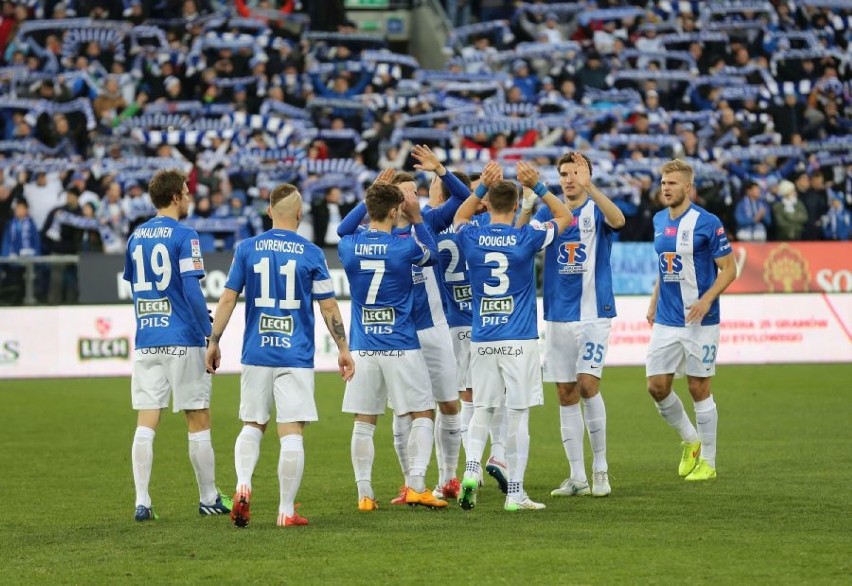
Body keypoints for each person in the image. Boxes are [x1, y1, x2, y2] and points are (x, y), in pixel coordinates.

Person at [205, 183, 355, 528]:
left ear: (269, 211)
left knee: (253, 423)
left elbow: (227, 299)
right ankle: (286, 511)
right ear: (300, 215)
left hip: (256, 352)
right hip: (295, 354)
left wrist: (213, 340)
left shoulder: (247, 249)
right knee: (291, 432)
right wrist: (343, 349)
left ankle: (243, 485)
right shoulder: (312, 253)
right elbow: (328, 305)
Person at [455, 160, 572, 512]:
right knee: (518, 414)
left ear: (488, 205)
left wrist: (478, 189)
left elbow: (458, 219)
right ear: (515, 205)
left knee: (482, 409)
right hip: (519, 338)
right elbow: (565, 217)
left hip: (483, 337)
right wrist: (537, 188)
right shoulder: (526, 236)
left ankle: (472, 469)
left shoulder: (472, 235)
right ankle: (515, 493)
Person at [123, 169, 231, 521]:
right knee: (197, 416)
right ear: (174, 197)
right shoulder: (185, 235)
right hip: (182, 337)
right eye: (186, 192)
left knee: (146, 420)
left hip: (147, 338)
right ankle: (208, 497)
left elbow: (135, 286)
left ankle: (142, 501)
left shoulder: (135, 236)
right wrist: (208, 334)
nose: (189, 198)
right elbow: (191, 289)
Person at [516, 151, 625, 498]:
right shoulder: (550, 212)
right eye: (563, 172)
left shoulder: (597, 208)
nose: (569, 178)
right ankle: (577, 476)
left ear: (588, 175)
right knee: (565, 393)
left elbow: (619, 220)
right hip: (558, 315)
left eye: (576, 172)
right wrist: (527, 205)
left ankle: (601, 469)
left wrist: (591, 186)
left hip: (594, 313)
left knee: (587, 384)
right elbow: (516, 243)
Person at [338, 176, 447, 511]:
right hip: (400, 343)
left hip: (363, 346)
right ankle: (415, 484)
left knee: (364, 419)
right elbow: (432, 256)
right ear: (397, 209)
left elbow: (344, 228)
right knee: (423, 412)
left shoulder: (349, 245)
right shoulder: (404, 247)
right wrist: (416, 218)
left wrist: (369, 196)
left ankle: (364, 494)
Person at [645, 159, 737, 482]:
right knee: (656, 387)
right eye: (662, 182)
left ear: (688, 187)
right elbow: (664, 265)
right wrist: (654, 301)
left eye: (671, 183)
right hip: (667, 320)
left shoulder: (707, 223)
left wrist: (707, 299)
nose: (665, 188)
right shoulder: (658, 220)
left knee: (698, 387)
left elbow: (730, 268)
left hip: (702, 321)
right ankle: (691, 440)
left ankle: (709, 463)